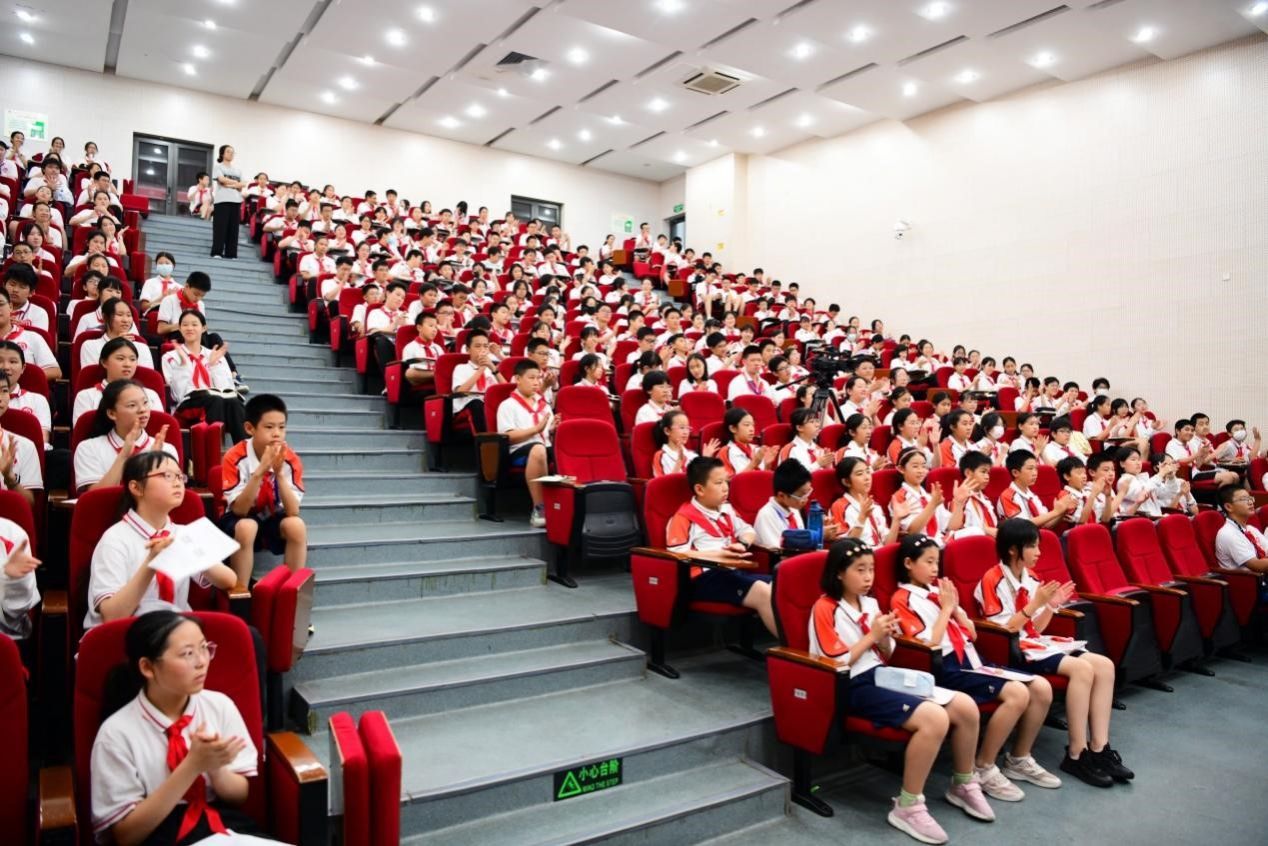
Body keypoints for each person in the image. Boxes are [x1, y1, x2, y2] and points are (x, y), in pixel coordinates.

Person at [808, 538, 985, 844]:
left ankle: (963, 782)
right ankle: (908, 805)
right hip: (851, 685)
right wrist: (871, 637)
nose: (868, 577)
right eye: (860, 570)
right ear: (839, 572)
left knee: (965, 707)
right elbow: (834, 662)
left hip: (880, 675)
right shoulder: (824, 608)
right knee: (934, 719)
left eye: (871, 569)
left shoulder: (869, 604)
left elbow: (887, 653)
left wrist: (883, 638)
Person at [891, 534, 1057, 802]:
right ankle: (984, 766)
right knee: (1017, 694)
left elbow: (972, 634)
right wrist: (946, 609)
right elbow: (929, 644)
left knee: (1041, 688)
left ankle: (1019, 758)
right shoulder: (903, 598)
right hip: (946, 665)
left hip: (972, 658)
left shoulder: (939, 592)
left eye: (937, 562)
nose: (935, 568)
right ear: (909, 563)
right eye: (928, 562)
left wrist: (955, 609)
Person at [976, 518, 1131, 787]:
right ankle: (1076, 753)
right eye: (1033, 547)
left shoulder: (1032, 578)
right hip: (1010, 650)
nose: (1039, 553)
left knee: (1104, 665)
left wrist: (1050, 606)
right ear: (1013, 549)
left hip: (1034, 644)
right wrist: (1035, 604)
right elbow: (1005, 631)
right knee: (1082, 669)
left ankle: (1099, 748)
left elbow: (1034, 627)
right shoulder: (991, 579)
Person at [90, 611, 266, 843]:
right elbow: (126, 836)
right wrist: (192, 766)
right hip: (158, 834)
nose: (202, 662)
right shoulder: (116, 733)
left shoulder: (219, 706)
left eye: (204, 648)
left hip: (222, 824)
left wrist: (217, 769)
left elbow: (239, 796)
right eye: (187, 654)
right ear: (148, 667)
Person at [85, 454, 237, 630]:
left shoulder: (183, 533)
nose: (177, 482)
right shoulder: (115, 539)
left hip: (175, 631)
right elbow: (112, 617)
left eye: (180, 476)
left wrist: (194, 551)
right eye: (167, 476)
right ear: (136, 487)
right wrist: (152, 562)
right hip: (125, 634)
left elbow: (229, 580)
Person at [666, 457, 775, 635]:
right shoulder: (683, 517)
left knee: (781, 584)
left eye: (726, 481)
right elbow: (677, 554)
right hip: (706, 578)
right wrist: (718, 556)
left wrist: (742, 544)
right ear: (699, 489)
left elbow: (748, 531)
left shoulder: (727, 509)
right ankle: (794, 648)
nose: (725, 488)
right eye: (718, 483)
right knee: (762, 592)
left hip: (733, 572)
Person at [219, 395, 306, 584]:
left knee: (296, 526)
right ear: (249, 428)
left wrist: (279, 474)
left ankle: (291, 590)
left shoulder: (290, 459)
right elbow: (239, 510)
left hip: (271, 515)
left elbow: (293, 511)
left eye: (281, 427)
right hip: (238, 519)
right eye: (269, 427)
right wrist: (260, 471)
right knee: (247, 526)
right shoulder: (234, 457)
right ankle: (240, 591)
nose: (277, 434)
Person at [74, 380, 178, 493]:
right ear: (112, 413)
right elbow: (95, 498)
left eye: (145, 402)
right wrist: (123, 456)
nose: (143, 409)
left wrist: (152, 463)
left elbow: (169, 495)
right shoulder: (88, 448)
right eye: (132, 405)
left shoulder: (165, 449)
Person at [161, 311, 246, 443]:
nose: (189, 328)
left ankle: (244, 450)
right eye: (185, 325)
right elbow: (179, 394)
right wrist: (183, 366)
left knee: (234, 403)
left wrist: (213, 366)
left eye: (194, 324)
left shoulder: (214, 355)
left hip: (214, 400)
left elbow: (226, 389)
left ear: (204, 328)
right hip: (187, 405)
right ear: (180, 328)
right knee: (215, 400)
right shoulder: (171, 356)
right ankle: (213, 449)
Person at [497, 359, 558, 529]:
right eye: (531, 378)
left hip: (543, 447)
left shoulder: (544, 406)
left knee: (565, 448)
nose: (537, 382)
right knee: (538, 448)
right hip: (518, 452)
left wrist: (553, 430)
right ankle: (539, 508)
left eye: (538, 378)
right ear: (517, 379)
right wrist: (536, 429)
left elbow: (547, 436)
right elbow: (507, 437)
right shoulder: (507, 405)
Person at [73, 338, 165, 425]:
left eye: (132, 359)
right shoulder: (86, 397)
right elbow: (82, 432)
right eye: (120, 358)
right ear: (104, 362)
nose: (127, 364)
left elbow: (157, 428)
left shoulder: (150, 395)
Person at [830, 456, 908, 548]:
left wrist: (896, 520)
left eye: (868, 472)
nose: (867, 477)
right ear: (846, 481)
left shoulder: (875, 505)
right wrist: (862, 518)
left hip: (880, 553)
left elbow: (888, 544)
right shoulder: (839, 506)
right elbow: (845, 547)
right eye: (860, 474)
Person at [998, 450, 1070, 528]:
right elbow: (1022, 526)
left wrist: (1063, 510)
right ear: (1015, 472)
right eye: (1030, 468)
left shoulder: (1031, 495)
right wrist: (1056, 512)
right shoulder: (1007, 496)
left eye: (1036, 469)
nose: (1035, 473)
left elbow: (1046, 524)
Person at [0, 340, 51, 445]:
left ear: (23, 368)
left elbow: (42, 441)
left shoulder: (37, 400)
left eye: (13, 362)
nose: (5, 367)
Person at [752, 458, 813, 548]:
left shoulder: (793, 508)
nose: (806, 499)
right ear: (781, 495)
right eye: (801, 496)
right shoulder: (766, 515)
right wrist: (814, 537)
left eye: (808, 493)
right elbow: (780, 551)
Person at [1214, 486, 1268, 575]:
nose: (1250, 502)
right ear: (1228, 507)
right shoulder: (1228, 534)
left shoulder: (1250, 529)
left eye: (1250, 498)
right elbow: (1257, 565)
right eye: (1244, 499)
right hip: (1247, 581)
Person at [651, 409, 717, 477]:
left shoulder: (692, 455)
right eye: (682, 428)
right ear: (667, 431)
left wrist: (705, 458)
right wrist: (679, 463)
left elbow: (701, 479)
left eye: (688, 428)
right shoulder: (660, 456)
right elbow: (662, 483)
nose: (686, 432)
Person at [210, 145, 245, 259]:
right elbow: (221, 179)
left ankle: (231, 254)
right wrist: (236, 184)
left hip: (236, 201)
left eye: (232, 152)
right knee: (220, 228)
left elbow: (243, 184)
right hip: (222, 201)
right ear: (222, 154)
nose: (231, 154)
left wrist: (229, 184)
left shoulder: (238, 170)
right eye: (228, 151)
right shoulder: (218, 167)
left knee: (234, 229)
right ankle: (217, 252)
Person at [719, 407, 774, 476]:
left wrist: (767, 465)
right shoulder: (726, 451)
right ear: (733, 428)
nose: (752, 429)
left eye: (753, 425)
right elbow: (733, 480)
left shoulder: (757, 449)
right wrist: (754, 463)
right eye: (747, 425)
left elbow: (763, 477)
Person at [782, 407, 834, 472]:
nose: (817, 425)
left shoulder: (819, 449)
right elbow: (794, 476)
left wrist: (828, 466)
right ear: (799, 427)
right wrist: (818, 464)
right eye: (812, 422)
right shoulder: (790, 450)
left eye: (817, 421)